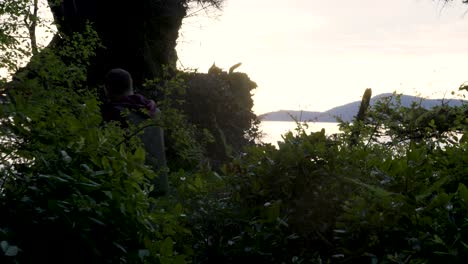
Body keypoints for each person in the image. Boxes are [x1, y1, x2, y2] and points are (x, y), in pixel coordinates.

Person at [102, 68, 168, 196]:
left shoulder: (115, 113)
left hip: (131, 189)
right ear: (131, 86)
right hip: (158, 185)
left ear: (107, 88)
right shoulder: (156, 112)